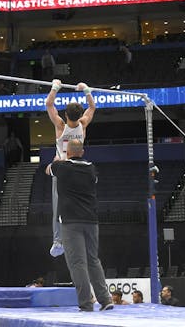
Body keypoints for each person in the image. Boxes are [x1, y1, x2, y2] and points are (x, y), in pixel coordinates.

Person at [45, 139, 113, 312]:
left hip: (71, 222)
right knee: (93, 260)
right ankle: (105, 300)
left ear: (67, 152)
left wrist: (56, 160)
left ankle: (86, 303)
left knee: (77, 263)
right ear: (82, 152)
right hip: (91, 220)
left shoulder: (62, 167)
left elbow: (48, 170)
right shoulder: (91, 168)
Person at [46, 79, 96, 257]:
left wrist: (55, 87)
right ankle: (78, 235)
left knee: (58, 206)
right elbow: (92, 108)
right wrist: (86, 90)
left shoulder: (60, 126)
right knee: (77, 203)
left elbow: (49, 104)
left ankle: (58, 241)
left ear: (65, 116)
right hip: (79, 170)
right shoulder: (83, 125)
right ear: (79, 114)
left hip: (62, 171)